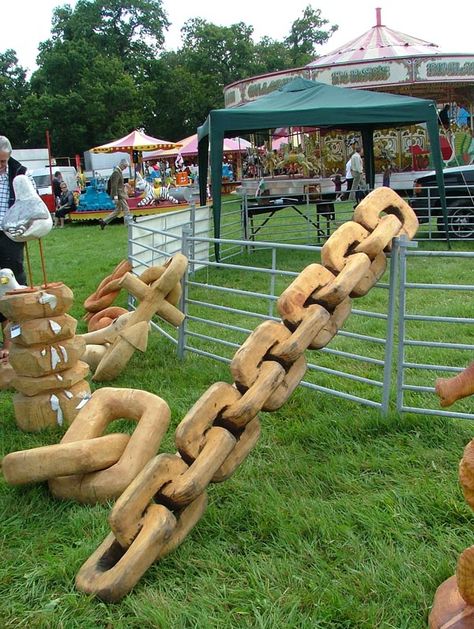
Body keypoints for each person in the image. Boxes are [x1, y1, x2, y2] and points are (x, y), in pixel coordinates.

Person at [0, 135, 27, 362]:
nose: (2, 166)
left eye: (4, 162)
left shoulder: (18, 172)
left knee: (12, 285)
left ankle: (10, 344)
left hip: (10, 236)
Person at [99, 159, 131, 229]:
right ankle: (128, 225)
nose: (125, 168)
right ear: (121, 164)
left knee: (118, 210)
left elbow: (118, 184)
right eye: (125, 166)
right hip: (119, 195)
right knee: (126, 209)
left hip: (119, 194)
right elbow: (114, 186)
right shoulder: (116, 172)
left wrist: (124, 184)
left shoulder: (118, 172)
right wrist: (115, 197)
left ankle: (104, 222)